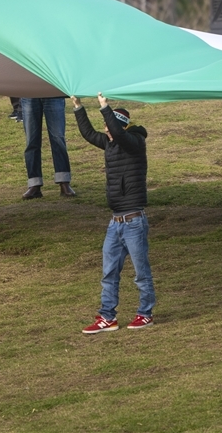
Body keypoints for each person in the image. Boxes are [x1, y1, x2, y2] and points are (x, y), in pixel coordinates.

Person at [72, 93, 155, 334]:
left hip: (134, 222)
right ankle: (107, 317)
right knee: (108, 273)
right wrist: (78, 107)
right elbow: (88, 134)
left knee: (141, 274)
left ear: (120, 126)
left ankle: (145, 314)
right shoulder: (110, 142)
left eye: (109, 126)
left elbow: (118, 133)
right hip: (115, 221)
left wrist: (104, 107)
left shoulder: (134, 142)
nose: (106, 130)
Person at [7, 0, 75, 200]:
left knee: (58, 138)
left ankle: (64, 181)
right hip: (29, 91)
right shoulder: (22, 35)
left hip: (52, 90)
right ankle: (34, 184)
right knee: (31, 140)